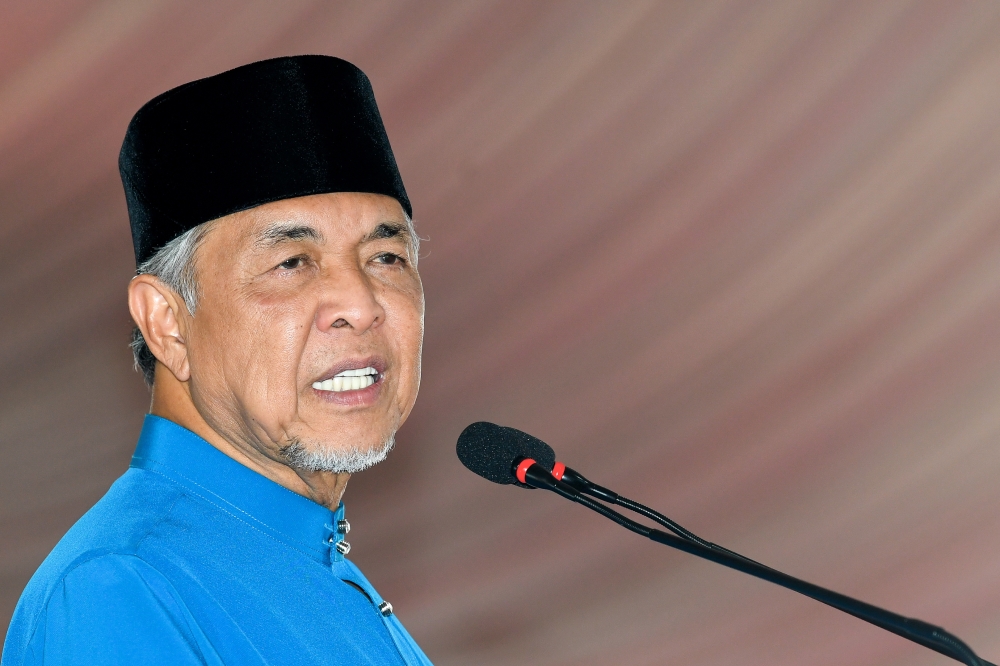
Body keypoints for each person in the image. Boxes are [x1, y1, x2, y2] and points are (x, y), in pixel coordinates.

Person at [1, 55, 433, 666]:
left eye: (386, 257)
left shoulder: (313, 559)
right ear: (167, 323)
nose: (360, 306)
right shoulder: (120, 590)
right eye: (291, 263)